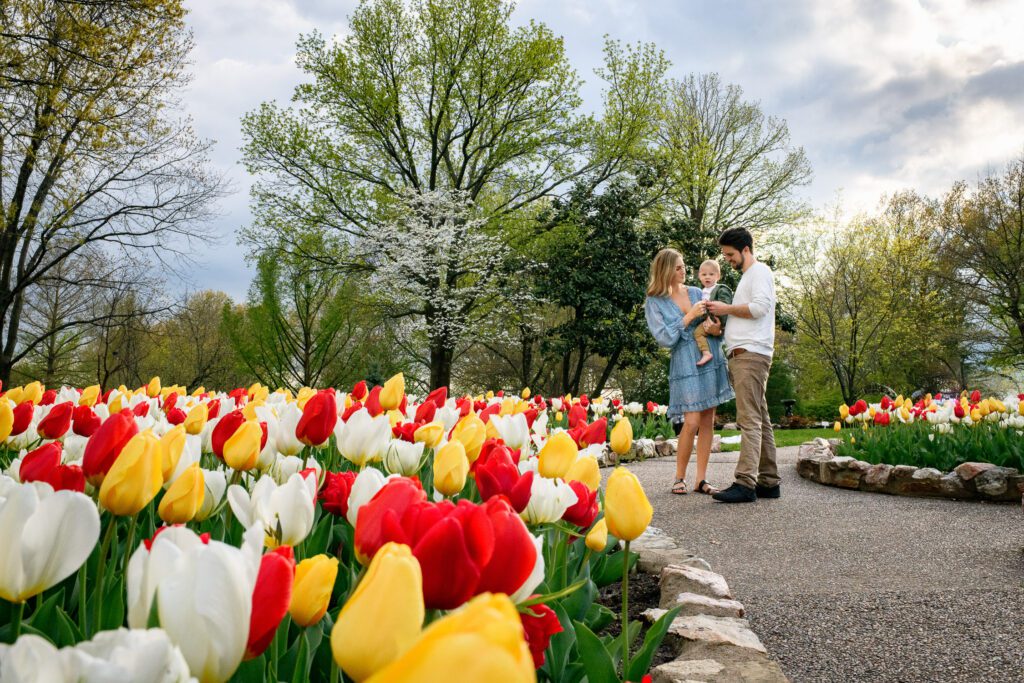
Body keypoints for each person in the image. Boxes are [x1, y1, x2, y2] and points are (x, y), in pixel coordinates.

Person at [644, 248, 735, 495]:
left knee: (707, 420)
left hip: (711, 358)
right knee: (691, 420)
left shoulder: (697, 292)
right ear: (665, 270)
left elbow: (718, 324)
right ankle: (679, 477)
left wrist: (717, 330)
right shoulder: (654, 301)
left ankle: (701, 480)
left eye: (684, 266)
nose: (684, 271)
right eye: (678, 267)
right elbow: (665, 338)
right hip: (685, 363)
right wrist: (689, 317)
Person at [705, 227, 778, 503]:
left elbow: (759, 307)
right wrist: (720, 330)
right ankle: (769, 482)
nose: (728, 260)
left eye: (730, 254)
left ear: (745, 249)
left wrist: (724, 310)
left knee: (748, 420)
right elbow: (748, 316)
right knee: (761, 419)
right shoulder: (750, 276)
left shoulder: (759, 272)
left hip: (750, 357)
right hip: (746, 353)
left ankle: (745, 483)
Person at [691, 260, 733, 367]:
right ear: (699, 276)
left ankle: (706, 353)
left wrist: (711, 305)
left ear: (718, 276)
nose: (707, 277)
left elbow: (726, 305)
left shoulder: (720, 288)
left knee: (698, 333)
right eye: (704, 274)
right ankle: (706, 352)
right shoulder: (703, 291)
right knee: (697, 333)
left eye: (711, 274)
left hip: (718, 319)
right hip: (709, 320)